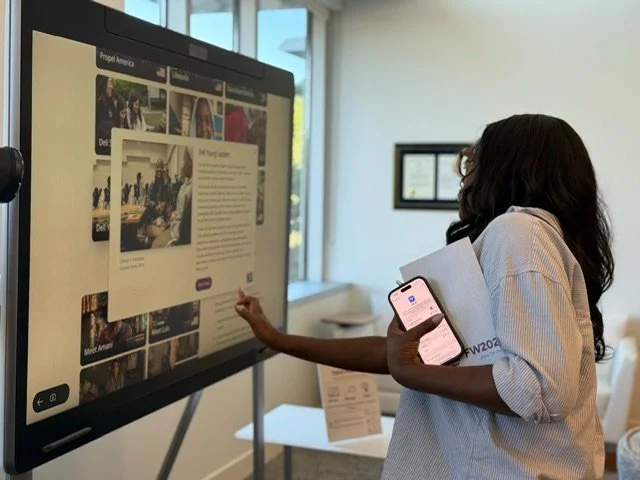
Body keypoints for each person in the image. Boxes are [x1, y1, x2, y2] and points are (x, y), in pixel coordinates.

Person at [234, 114, 615, 480]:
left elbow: (539, 389)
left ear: (506, 170)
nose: (465, 176)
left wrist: (412, 373)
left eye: (472, 162)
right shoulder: (523, 242)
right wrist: (279, 340)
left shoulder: (518, 233)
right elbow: (411, 357)